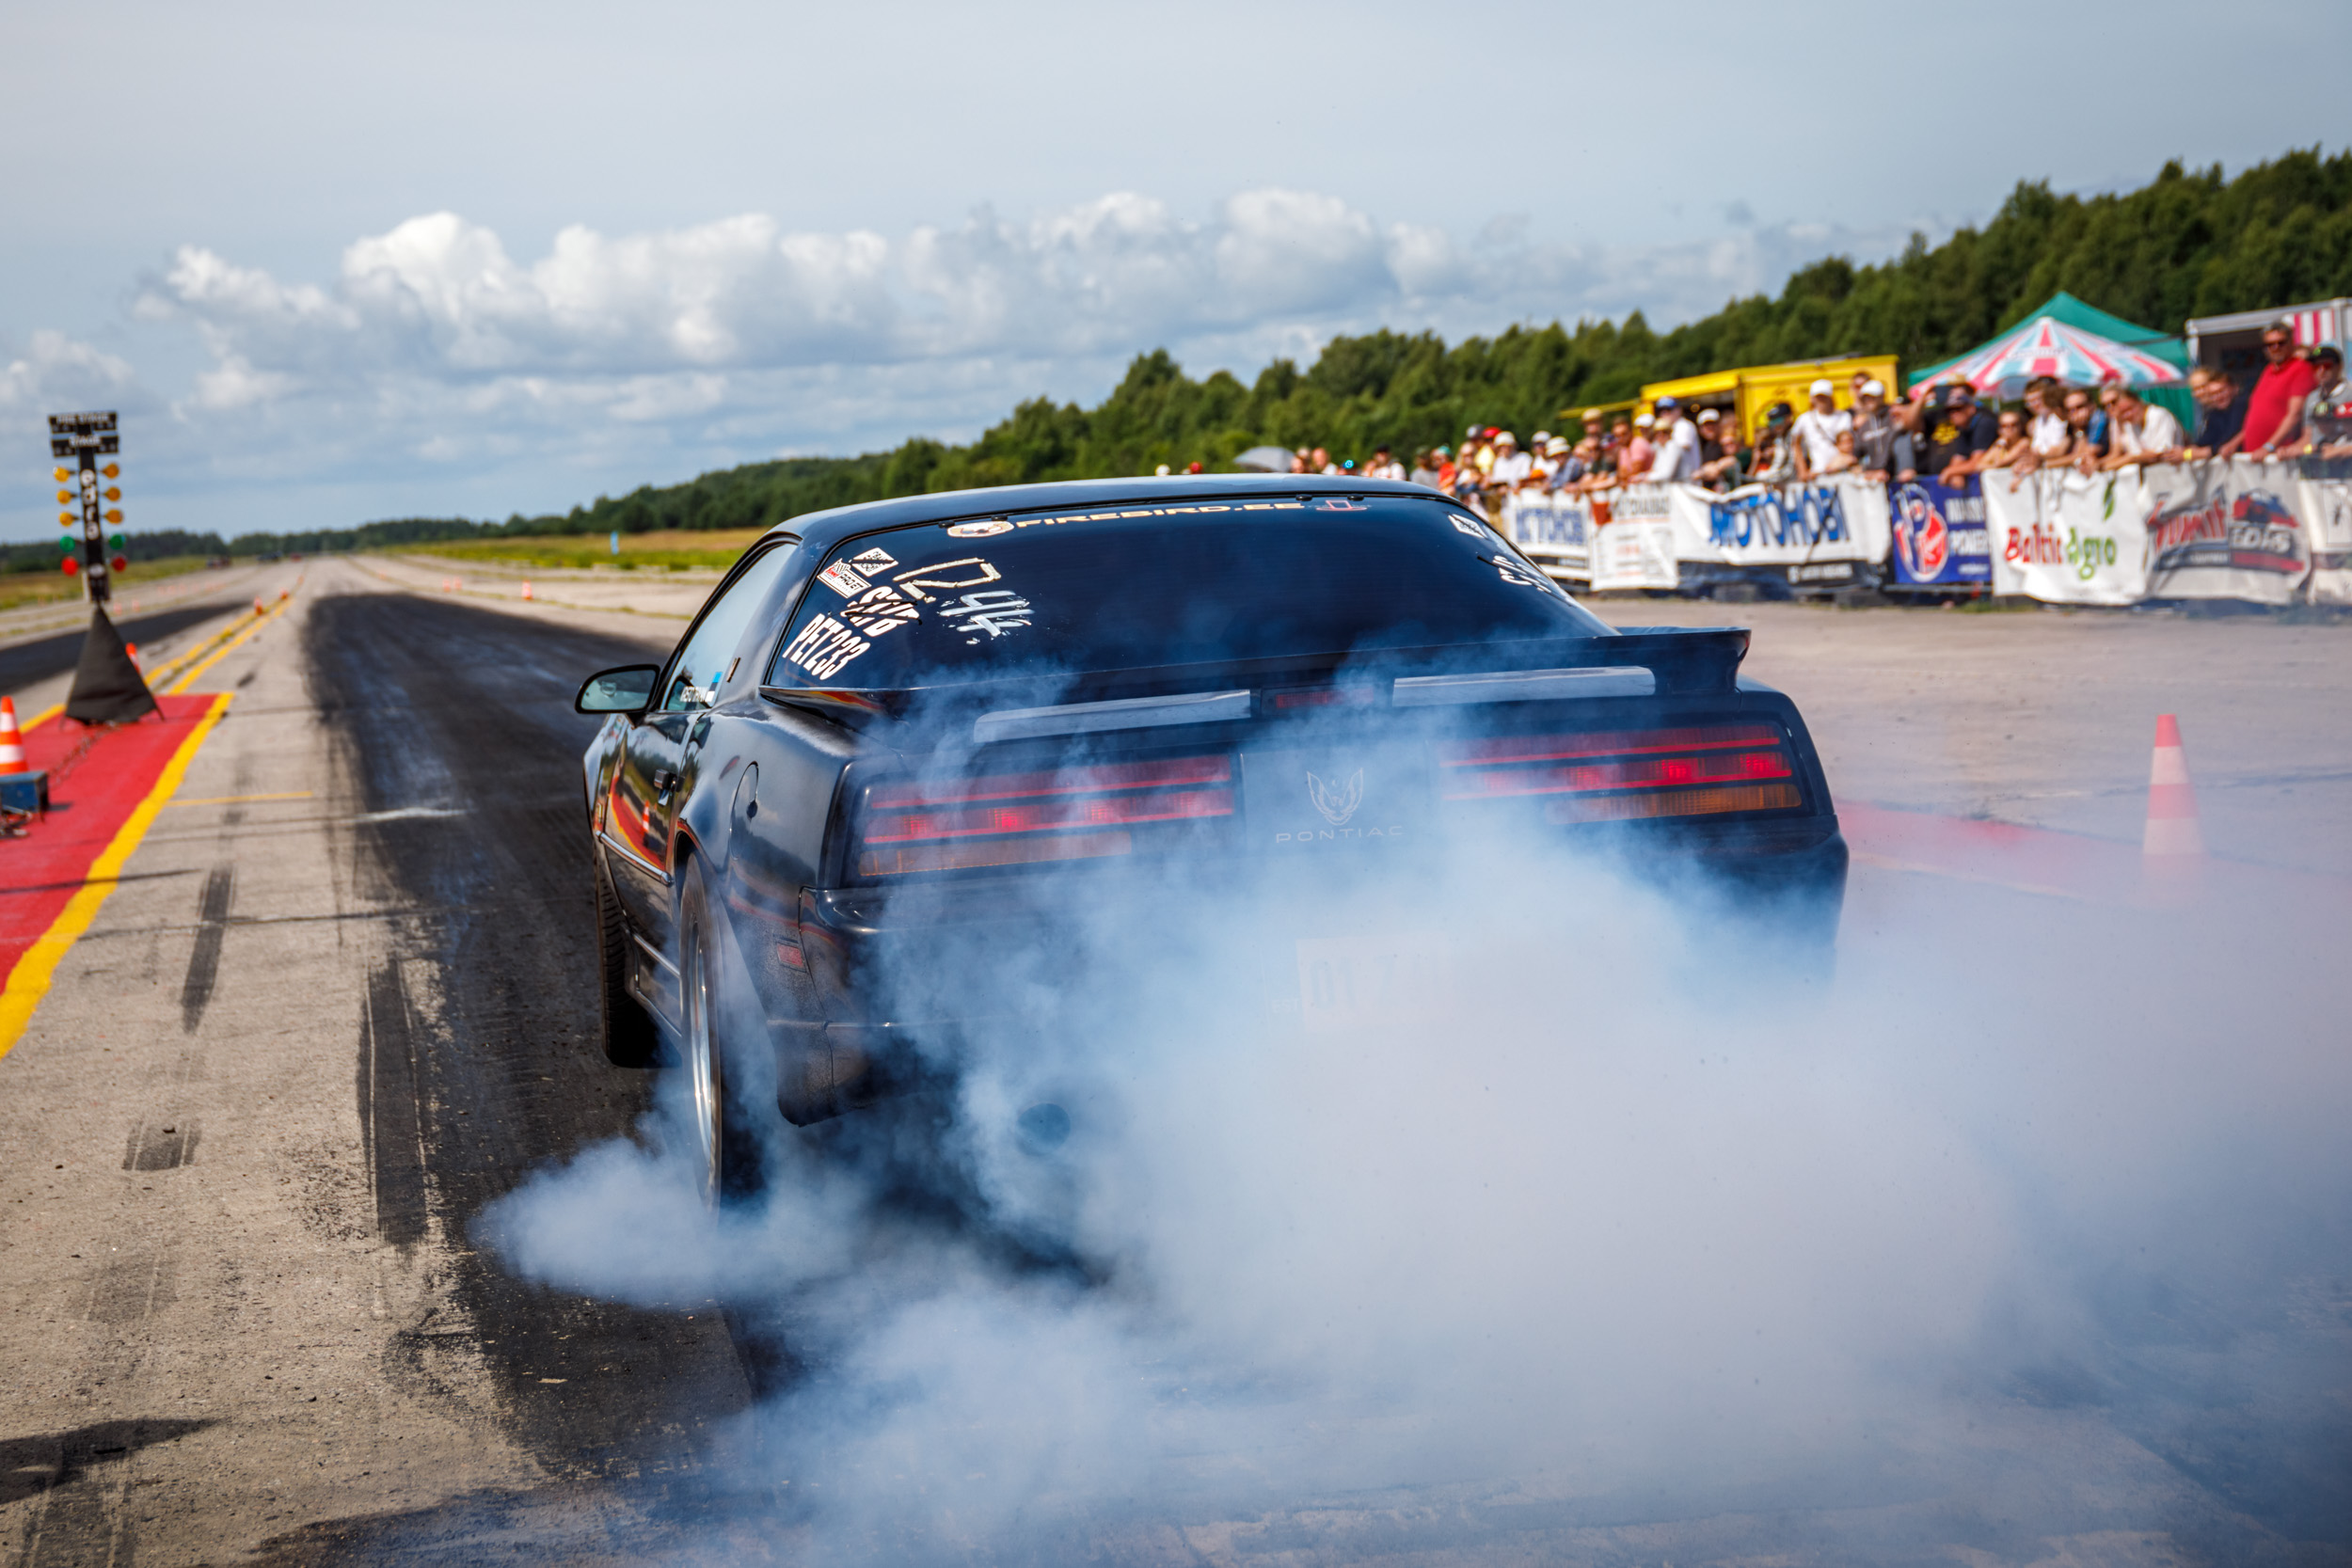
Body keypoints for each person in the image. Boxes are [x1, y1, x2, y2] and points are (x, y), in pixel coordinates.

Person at [2228, 322, 2318, 457]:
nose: (2275, 348)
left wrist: (2269, 446)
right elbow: (2256, 415)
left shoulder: (2301, 369)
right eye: (2270, 344)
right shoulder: (2268, 370)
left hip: (2279, 456)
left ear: (2291, 343)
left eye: (2281, 343)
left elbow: (2295, 415)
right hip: (2256, 455)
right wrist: (2234, 443)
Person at [1919, 385, 1998, 483]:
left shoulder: (1984, 423)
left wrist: (1949, 471)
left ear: (1971, 409)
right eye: (1949, 410)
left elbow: (1978, 462)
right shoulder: (1963, 427)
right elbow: (1958, 458)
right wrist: (1955, 472)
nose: (1953, 414)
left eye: (1958, 409)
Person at [2103, 388, 2184, 468]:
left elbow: (2160, 453)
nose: (2128, 414)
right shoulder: (2130, 425)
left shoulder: (2159, 415)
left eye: (2130, 408)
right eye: (2123, 412)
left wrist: (2135, 457)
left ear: (2139, 402)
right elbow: (2136, 454)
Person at [1789, 377, 1852, 479]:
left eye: (1824, 396)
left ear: (1830, 397)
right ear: (1812, 398)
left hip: (1842, 470)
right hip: (1817, 473)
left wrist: (1836, 464)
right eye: (1818, 397)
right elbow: (1795, 443)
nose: (1821, 400)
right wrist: (1802, 469)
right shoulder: (1804, 419)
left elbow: (1848, 444)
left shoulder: (1844, 416)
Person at [2296, 345, 2350, 460]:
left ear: (2339, 366)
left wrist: (2337, 450)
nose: (2321, 370)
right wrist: (2290, 450)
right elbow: (2308, 437)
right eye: (2316, 367)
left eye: (2327, 365)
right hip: (2318, 462)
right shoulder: (2311, 398)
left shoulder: (2350, 394)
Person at [2185, 367, 2247, 458]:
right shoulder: (2214, 413)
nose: (2218, 397)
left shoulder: (2240, 404)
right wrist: (2185, 451)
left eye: (2222, 391)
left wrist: (2187, 455)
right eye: (2213, 394)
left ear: (2235, 388)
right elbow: (2206, 440)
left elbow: (2227, 441)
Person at [1849, 379, 1902, 481]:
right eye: (1865, 398)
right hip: (1874, 478)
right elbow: (1858, 453)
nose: (1868, 400)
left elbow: (1899, 443)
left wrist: (1887, 470)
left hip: (1896, 476)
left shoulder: (1894, 416)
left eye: (1872, 397)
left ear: (1882, 397)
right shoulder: (1863, 425)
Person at [1646, 395, 1700, 482]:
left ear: (1679, 410)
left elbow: (1677, 453)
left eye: (1668, 409)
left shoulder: (1683, 426)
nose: (1664, 413)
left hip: (1688, 482)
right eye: (1661, 411)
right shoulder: (1667, 429)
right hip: (1677, 483)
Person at [1696, 420, 1748, 491]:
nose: (1728, 447)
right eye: (1724, 445)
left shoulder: (1745, 454)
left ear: (1737, 442)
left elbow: (1730, 460)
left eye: (1731, 443)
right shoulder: (1719, 454)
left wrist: (1712, 468)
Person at [1622, 413, 1656, 482]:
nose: (1643, 431)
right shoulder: (1637, 444)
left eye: (1646, 428)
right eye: (1641, 428)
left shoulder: (1659, 444)